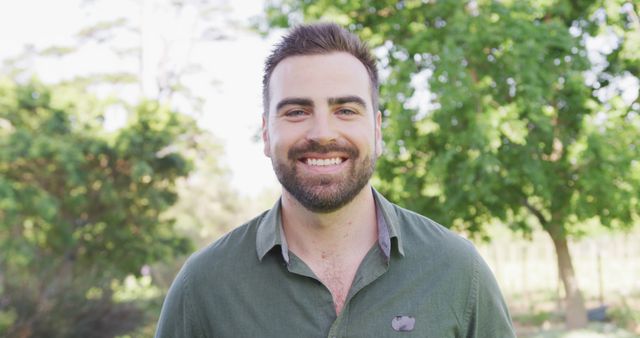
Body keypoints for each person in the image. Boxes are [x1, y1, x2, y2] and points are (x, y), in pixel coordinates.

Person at [155, 22, 516, 338]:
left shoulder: (456, 269)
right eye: (297, 111)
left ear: (376, 131)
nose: (323, 132)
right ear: (266, 134)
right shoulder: (203, 286)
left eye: (345, 110)